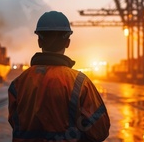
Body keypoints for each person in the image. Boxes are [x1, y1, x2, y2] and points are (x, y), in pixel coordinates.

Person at [8, 11, 110, 142]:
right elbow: (100, 129)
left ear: (39, 42)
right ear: (67, 42)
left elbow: (15, 123)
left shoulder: (18, 83)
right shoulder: (80, 82)